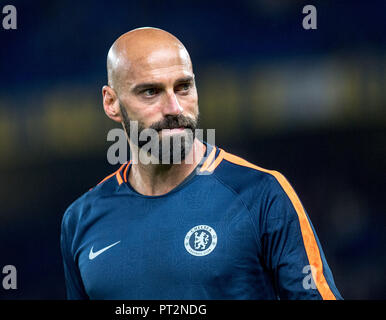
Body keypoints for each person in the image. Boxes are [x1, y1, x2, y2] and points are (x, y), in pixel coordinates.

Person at [60, 27, 342, 299]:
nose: (174, 108)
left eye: (183, 87)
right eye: (150, 92)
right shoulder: (81, 220)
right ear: (111, 102)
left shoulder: (262, 194)